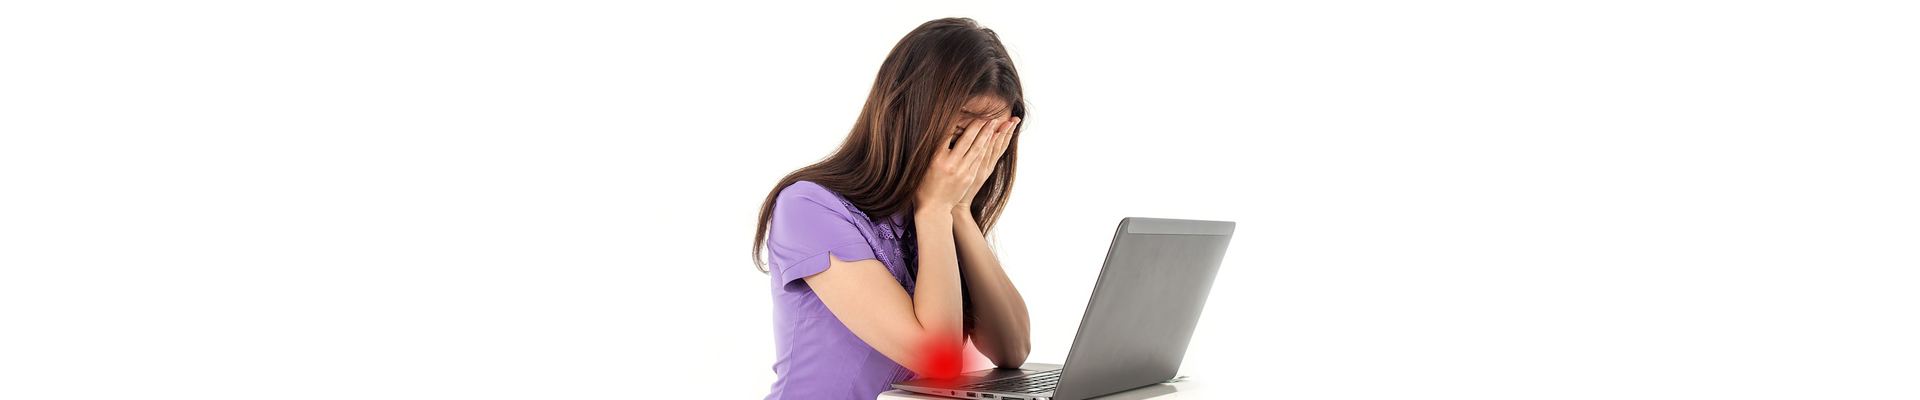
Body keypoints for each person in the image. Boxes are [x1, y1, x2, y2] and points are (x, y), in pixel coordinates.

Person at [750, 17, 1032, 400]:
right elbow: (939, 359)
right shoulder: (807, 208)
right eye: (961, 135)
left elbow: (1013, 350)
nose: (972, 155)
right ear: (907, 114)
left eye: (988, 139)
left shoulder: (935, 212)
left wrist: (960, 212)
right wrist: (936, 210)